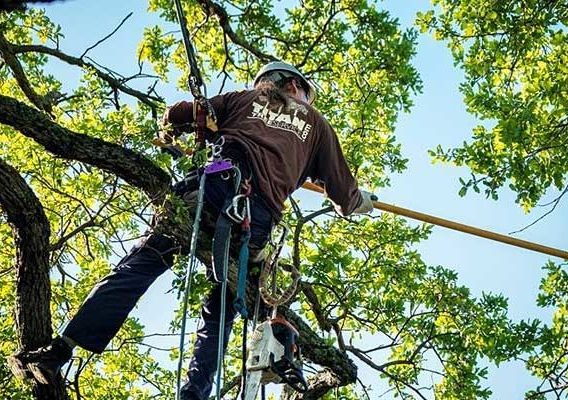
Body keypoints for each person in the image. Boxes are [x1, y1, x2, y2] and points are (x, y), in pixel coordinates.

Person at [7, 61, 375, 399]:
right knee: (223, 306)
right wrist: (363, 201)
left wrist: (193, 125)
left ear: (273, 83)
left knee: (142, 264)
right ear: (295, 85)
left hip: (210, 191)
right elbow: (344, 194)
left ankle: (61, 349)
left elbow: (178, 115)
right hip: (254, 218)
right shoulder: (316, 125)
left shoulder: (244, 98)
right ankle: (194, 393)